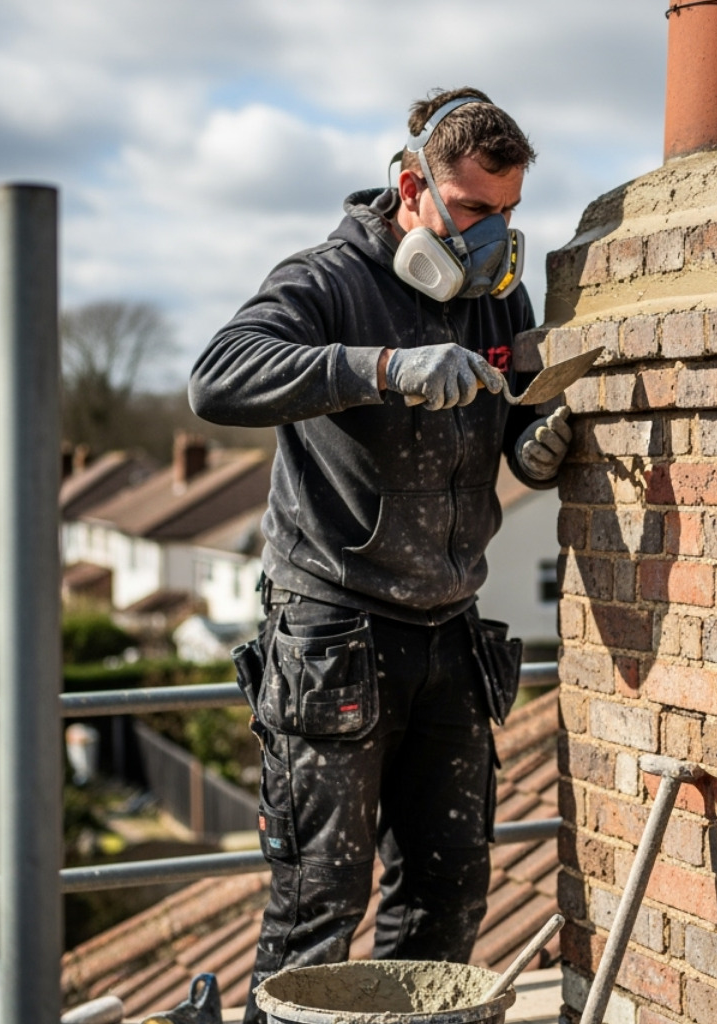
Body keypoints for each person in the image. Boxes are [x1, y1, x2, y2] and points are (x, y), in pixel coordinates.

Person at [188, 87, 572, 1019]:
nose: (491, 237)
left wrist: (533, 444)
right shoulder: (329, 280)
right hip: (335, 634)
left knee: (447, 897)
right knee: (318, 908)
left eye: (508, 213)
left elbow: (508, 421)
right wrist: (383, 367)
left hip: (448, 632)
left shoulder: (494, 295)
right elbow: (218, 375)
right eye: (475, 210)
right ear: (412, 189)